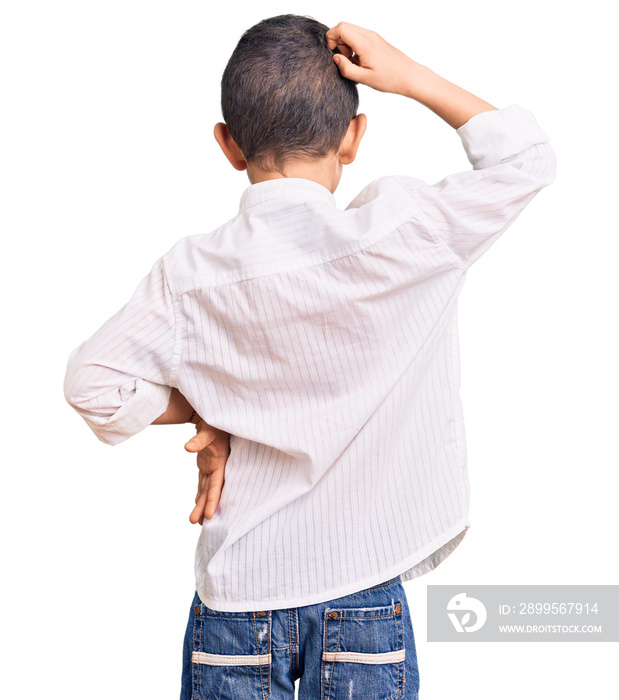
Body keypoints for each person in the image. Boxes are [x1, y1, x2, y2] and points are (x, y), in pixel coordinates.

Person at [64, 15, 556, 700]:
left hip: (238, 594)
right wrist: (409, 76)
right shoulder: (408, 234)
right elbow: (526, 158)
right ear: (353, 138)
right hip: (363, 587)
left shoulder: (190, 273)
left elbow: (92, 384)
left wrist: (213, 408)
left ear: (229, 145)